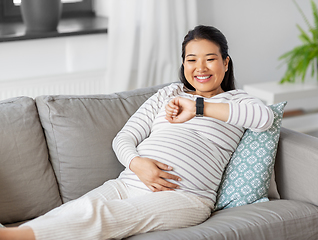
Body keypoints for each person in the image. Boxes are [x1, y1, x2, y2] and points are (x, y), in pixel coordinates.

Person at [0, 25, 273, 240]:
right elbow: (124, 138)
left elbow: (264, 118)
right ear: (183, 64)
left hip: (185, 197)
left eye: (210, 59)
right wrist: (137, 163)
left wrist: (198, 107)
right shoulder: (169, 93)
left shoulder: (238, 101)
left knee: (100, 215)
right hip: (128, 183)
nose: (200, 68)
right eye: (192, 60)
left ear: (225, 63)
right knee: (69, 212)